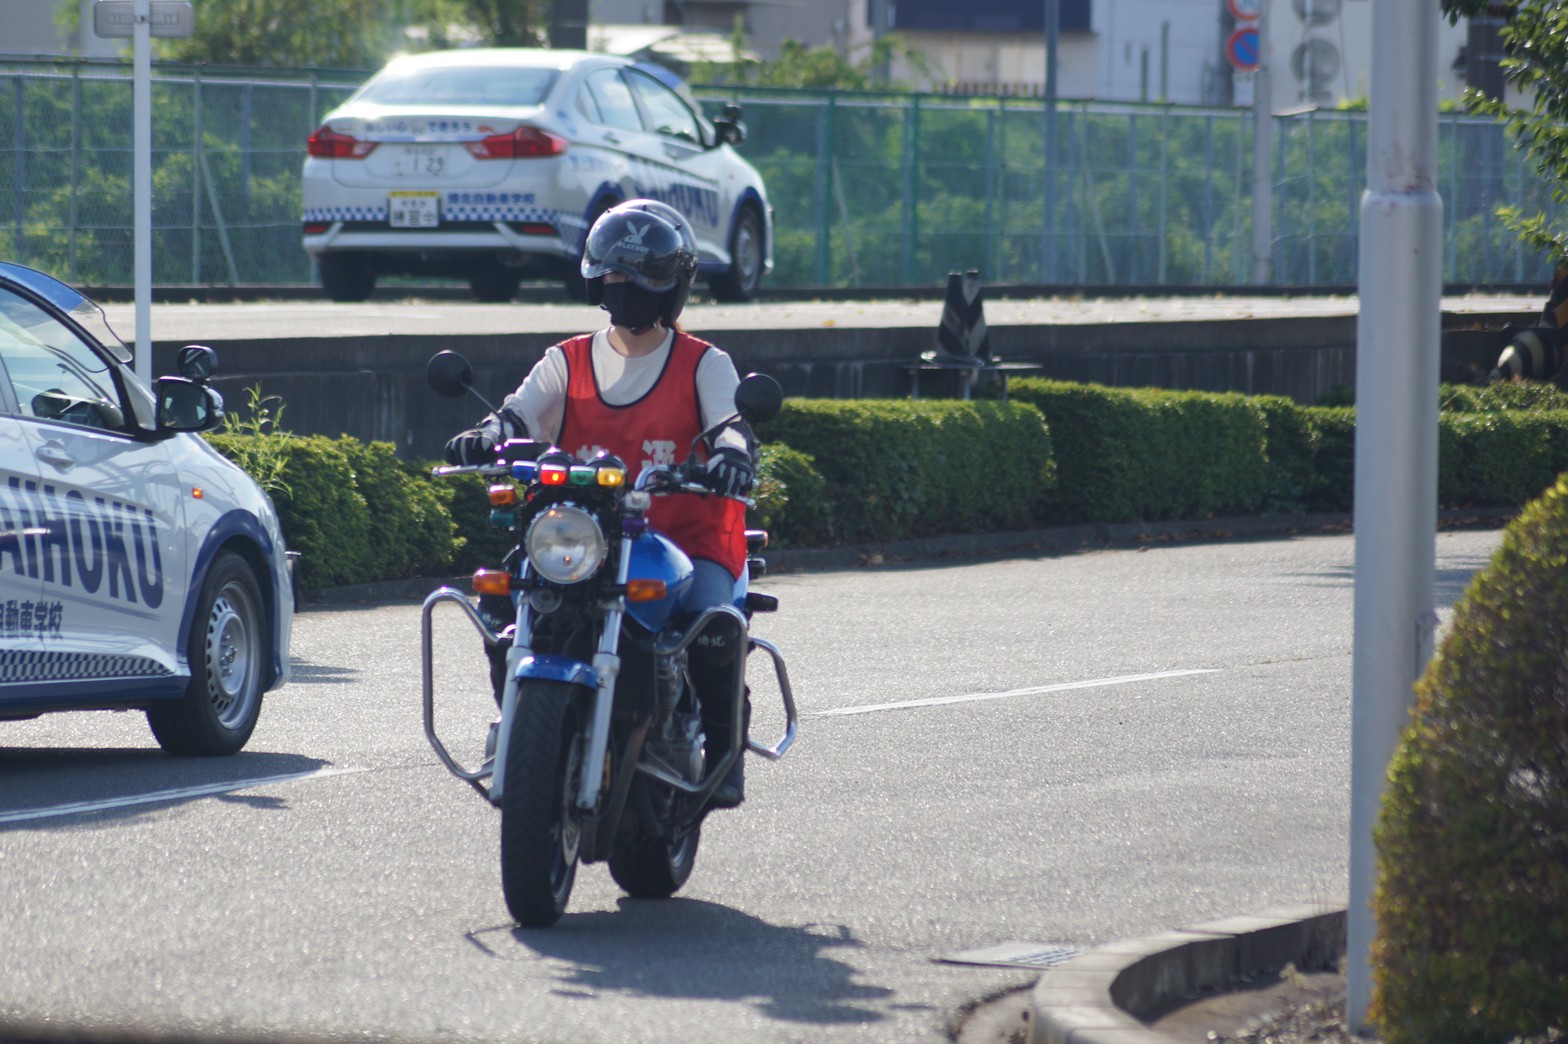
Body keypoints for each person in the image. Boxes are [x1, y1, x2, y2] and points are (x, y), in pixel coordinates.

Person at [444, 199, 756, 809]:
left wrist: (733, 454)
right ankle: (521, 728)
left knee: (715, 625)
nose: (628, 289)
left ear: (672, 287)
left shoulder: (705, 364)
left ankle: (724, 754)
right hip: (582, 541)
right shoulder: (566, 361)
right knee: (501, 601)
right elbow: (518, 411)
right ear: (595, 282)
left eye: (643, 278)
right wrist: (487, 434)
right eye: (615, 277)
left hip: (687, 544)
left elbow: (732, 424)